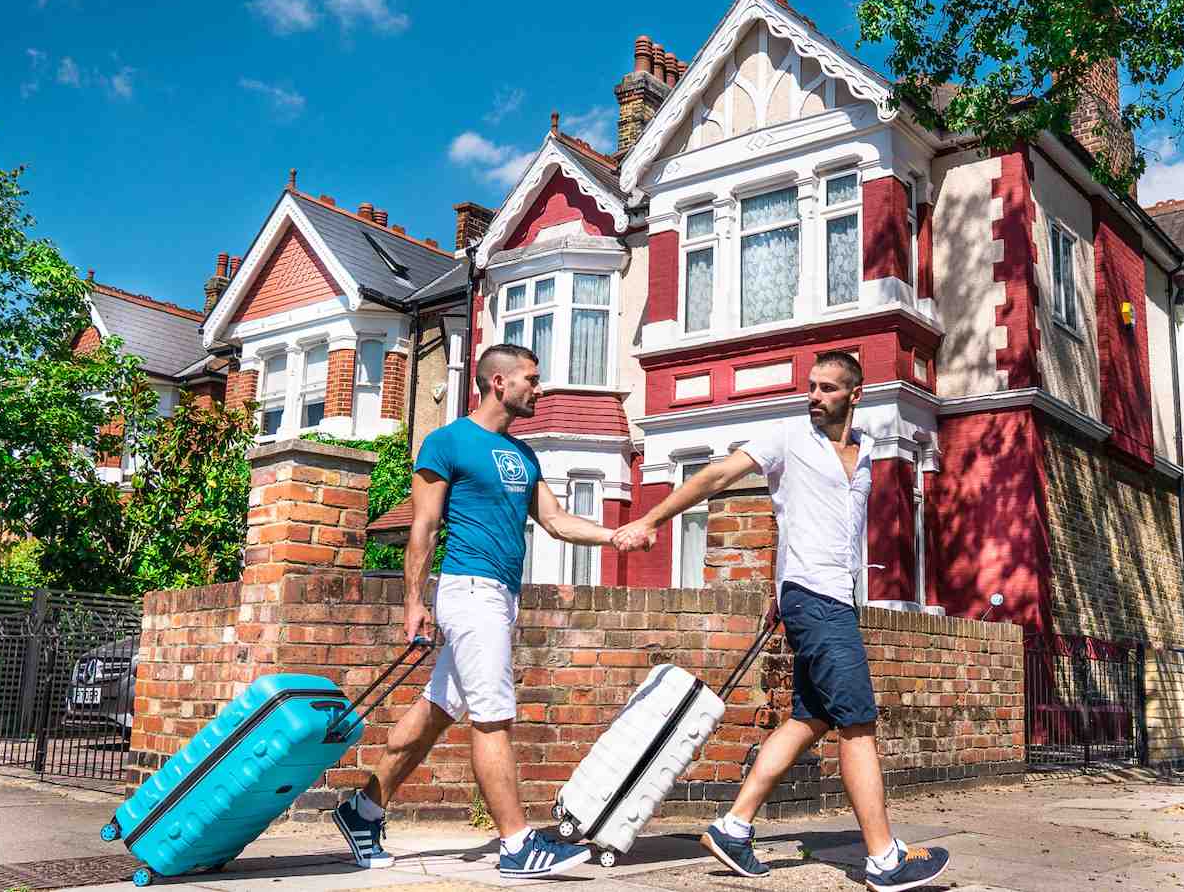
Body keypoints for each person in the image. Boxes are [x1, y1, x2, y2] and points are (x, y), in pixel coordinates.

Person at [612, 351, 951, 892]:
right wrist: (651, 517)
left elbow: (826, 532)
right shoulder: (786, 438)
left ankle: (732, 826)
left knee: (811, 718)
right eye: (811, 386)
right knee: (858, 720)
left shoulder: (863, 456)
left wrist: (784, 589)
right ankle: (885, 857)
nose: (814, 396)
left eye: (828, 389)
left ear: (854, 395)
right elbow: (717, 475)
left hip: (831, 600)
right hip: (814, 601)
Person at [332, 344, 612, 879]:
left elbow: (555, 521)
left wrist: (614, 535)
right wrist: (414, 601)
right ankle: (516, 843)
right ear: (499, 382)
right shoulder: (448, 442)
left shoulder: (525, 455)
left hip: (501, 596)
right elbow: (425, 525)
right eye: (532, 378)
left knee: (437, 711)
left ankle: (362, 808)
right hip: (469, 590)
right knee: (492, 717)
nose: (540, 387)